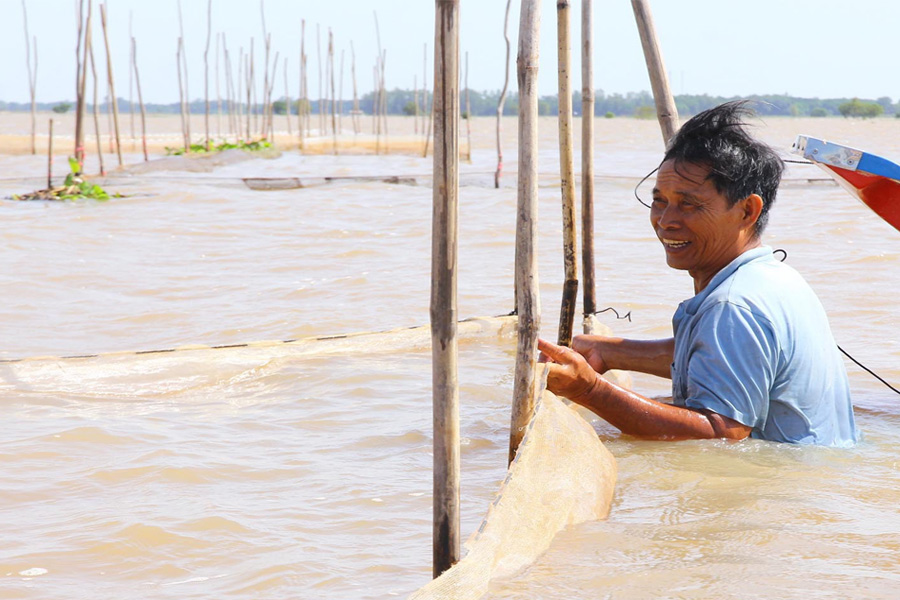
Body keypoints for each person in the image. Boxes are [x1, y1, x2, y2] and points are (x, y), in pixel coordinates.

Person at [540, 101, 858, 447]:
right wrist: (610, 353)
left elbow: (722, 434)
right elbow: (717, 357)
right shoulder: (775, 277)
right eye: (659, 201)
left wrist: (589, 390)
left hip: (784, 475)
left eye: (689, 204)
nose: (666, 221)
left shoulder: (732, 306)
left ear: (747, 210)